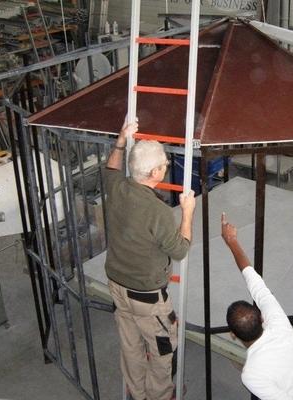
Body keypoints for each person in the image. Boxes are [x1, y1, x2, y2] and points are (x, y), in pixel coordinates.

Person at [103, 119, 196, 400]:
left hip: (117, 286)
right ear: (155, 172)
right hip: (146, 297)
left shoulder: (117, 187)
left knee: (130, 345)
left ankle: (137, 392)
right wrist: (188, 211)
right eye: (164, 165)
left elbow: (111, 168)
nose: (166, 167)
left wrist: (121, 140)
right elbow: (180, 250)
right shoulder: (159, 212)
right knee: (161, 348)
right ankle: (159, 395)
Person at [221, 213, 293, 400]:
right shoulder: (278, 324)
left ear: (233, 335)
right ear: (261, 319)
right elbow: (255, 281)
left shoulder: (252, 374)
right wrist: (232, 240)